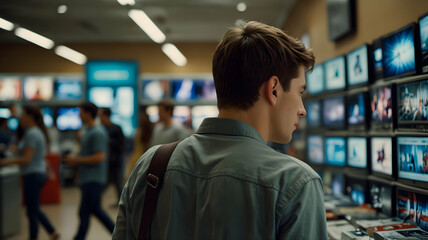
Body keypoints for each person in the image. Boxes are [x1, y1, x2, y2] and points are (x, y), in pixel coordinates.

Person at [113, 21, 327, 239]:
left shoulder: (150, 165)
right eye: (300, 92)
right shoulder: (296, 183)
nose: (302, 110)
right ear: (273, 89)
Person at [0, 105, 59, 240]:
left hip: (33, 174)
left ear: (30, 117)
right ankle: (51, 231)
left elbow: (27, 159)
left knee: (32, 211)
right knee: (33, 209)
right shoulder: (33, 132)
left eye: (23, 115)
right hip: (34, 174)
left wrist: (4, 162)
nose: (20, 118)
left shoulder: (32, 133)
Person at [63, 102, 115, 240]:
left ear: (87, 113)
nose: (79, 115)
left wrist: (76, 160)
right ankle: (119, 234)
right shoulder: (88, 131)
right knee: (94, 210)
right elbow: (86, 152)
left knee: (84, 211)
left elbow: (99, 157)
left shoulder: (98, 132)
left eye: (80, 112)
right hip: (88, 178)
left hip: (94, 178)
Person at [99, 107, 125, 206]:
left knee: (118, 183)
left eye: (100, 115)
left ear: (106, 116)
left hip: (115, 161)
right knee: (106, 183)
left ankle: (123, 203)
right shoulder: (101, 128)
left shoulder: (116, 128)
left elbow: (121, 145)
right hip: (105, 162)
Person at [126, 109, 153, 179]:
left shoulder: (147, 131)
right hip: (137, 155)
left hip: (142, 155)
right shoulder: (140, 129)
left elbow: (147, 145)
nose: (140, 119)